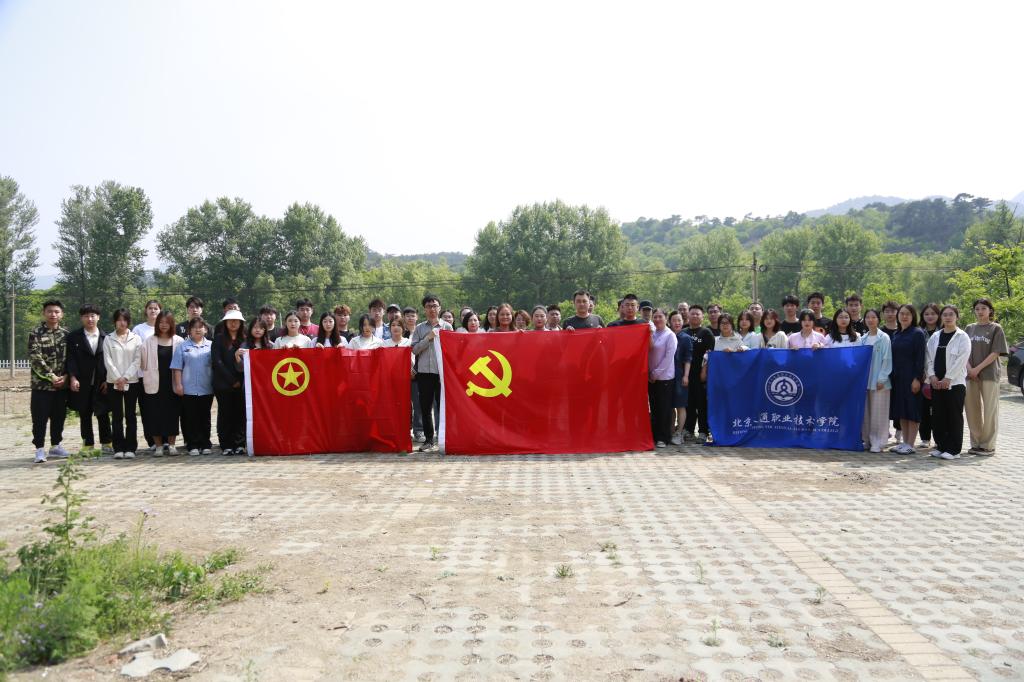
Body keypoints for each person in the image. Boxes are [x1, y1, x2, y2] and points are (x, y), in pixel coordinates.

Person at [926, 305, 971, 460]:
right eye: (945, 314)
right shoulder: (935, 336)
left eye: (951, 314)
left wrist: (948, 378)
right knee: (938, 416)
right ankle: (941, 446)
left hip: (955, 384)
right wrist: (932, 376)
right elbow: (928, 358)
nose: (948, 317)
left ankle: (954, 450)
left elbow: (962, 360)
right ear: (941, 317)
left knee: (954, 416)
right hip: (936, 383)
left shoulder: (962, 337)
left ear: (957, 317)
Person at [964, 298, 1008, 456]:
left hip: (989, 374)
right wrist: (970, 369)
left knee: (990, 410)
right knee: (971, 409)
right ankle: (976, 443)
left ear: (990, 310)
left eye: (983, 308)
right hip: (970, 375)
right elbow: (963, 351)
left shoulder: (996, 328)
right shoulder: (969, 328)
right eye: (977, 309)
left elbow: (996, 352)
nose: (980, 311)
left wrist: (977, 369)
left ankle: (988, 445)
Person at [66, 303, 111, 456]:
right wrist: (73, 378)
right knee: (84, 414)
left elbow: (110, 360)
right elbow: (70, 359)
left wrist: (108, 380)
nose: (90, 319)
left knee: (103, 413)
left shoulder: (107, 337)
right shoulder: (73, 337)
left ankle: (107, 443)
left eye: (93, 316)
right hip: (82, 382)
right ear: (81, 318)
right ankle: (88, 445)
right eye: (86, 316)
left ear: (98, 317)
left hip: (101, 382)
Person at [29, 299, 70, 463]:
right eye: (50, 311)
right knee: (39, 418)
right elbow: (36, 358)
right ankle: (39, 449)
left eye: (56, 311)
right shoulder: (36, 333)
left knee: (59, 417)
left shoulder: (66, 334)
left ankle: (55, 446)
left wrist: (66, 376)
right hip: (42, 386)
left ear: (62, 314)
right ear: (44, 313)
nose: (53, 314)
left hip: (62, 385)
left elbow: (71, 359)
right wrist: (52, 377)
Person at [411, 294, 453, 452]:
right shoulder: (420, 328)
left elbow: (452, 350)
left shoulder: (447, 327)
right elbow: (414, 349)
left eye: (435, 306)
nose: (432, 309)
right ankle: (429, 440)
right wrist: (428, 338)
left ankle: (444, 438)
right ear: (424, 309)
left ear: (439, 308)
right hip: (424, 373)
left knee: (443, 407)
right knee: (425, 407)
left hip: (442, 373)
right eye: (428, 306)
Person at [140, 310, 183, 456]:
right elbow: (142, 363)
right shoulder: (149, 341)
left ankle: (171, 445)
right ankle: (158, 446)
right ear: (157, 324)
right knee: (154, 415)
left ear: (172, 324)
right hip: (153, 382)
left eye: (167, 322)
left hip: (172, 383)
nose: (164, 325)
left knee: (172, 415)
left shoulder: (178, 341)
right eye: (161, 322)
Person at [172, 318, 214, 456]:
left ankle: (205, 443)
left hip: (206, 388)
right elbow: (177, 367)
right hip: (188, 389)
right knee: (190, 418)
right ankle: (192, 445)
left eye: (200, 327)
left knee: (205, 417)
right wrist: (178, 385)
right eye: (194, 327)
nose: (197, 329)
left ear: (205, 329)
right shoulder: (182, 346)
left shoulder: (211, 346)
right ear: (189, 330)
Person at [104, 308, 142, 460]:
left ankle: (131, 447)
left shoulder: (136, 338)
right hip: (113, 382)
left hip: (131, 382)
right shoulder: (108, 339)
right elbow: (107, 361)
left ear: (128, 321)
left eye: (125, 319)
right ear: (115, 321)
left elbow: (137, 360)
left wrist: (125, 377)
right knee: (117, 416)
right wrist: (118, 378)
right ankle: (118, 447)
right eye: (119, 319)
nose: (122, 322)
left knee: (130, 415)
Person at [889, 304, 927, 455]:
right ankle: (904, 442)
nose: (904, 316)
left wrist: (917, 378)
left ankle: (911, 444)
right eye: (902, 313)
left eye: (908, 314)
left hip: (912, 377)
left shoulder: (917, 333)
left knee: (912, 410)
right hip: (898, 378)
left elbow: (920, 357)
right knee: (902, 410)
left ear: (913, 316)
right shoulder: (897, 334)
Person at [212, 310, 246, 455]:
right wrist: (232, 380)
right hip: (223, 384)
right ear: (225, 323)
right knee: (225, 414)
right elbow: (217, 362)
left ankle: (239, 443)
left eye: (236, 321)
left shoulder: (244, 339)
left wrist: (239, 381)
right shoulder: (219, 339)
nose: (233, 323)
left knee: (240, 414)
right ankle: (226, 444)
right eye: (230, 320)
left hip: (241, 383)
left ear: (241, 323)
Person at [860, 309, 892, 453]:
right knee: (866, 412)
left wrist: (882, 378)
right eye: (867, 317)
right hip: (865, 380)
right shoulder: (863, 339)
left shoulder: (883, 337)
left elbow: (887, 359)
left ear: (878, 319)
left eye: (873, 317)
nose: (870, 320)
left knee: (879, 413)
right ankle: (867, 440)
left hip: (880, 382)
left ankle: (878, 442)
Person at [682, 305, 715, 442]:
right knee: (688, 403)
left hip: (701, 374)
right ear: (688, 316)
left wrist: (704, 371)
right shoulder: (683, 332)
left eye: (698, 314)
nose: (695, 316)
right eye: (692, 314)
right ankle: (688, 429)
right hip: (686, 374)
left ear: (702, 317)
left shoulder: (706, 333)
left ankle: (703, 431)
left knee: (702, 404)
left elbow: (710, 355)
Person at [132, 299, 161, 452]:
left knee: (162, 408)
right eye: (150, 308)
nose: (153, 311)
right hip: (143, 375)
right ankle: (151, 441)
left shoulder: (165, 327)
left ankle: (164, 440)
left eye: (156, 308)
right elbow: (135, 352)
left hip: (162, 375)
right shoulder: (139, 329)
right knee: (147, 409)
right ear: (146, 311)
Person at [648, 309, 678, 448]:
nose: (657, 319)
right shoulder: (652, 333)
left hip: (665, 378)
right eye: (655, 317)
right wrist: (649, 373)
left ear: (666, 318)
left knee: (664, 409)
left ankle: (663, 437)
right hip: (651, 378)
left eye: (660, 316)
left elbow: (668, 358)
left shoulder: (670, 335)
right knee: (654, 408)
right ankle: (655, 436)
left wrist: (655, 374)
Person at [917, 303, 941, 448]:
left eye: (933, 313)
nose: (930, 316)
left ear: (938, 315)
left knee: (939, 409)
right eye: (926, 314)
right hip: (922, 375)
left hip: (940, 375)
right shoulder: (919, 332)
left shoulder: (944, 331)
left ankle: (939, 439)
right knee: (923, 408)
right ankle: (925, 438)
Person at [669, 311, 693, 445]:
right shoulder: (667, 335)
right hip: (667, 375)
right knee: (670, 406)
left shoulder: (686, 338)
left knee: (680, 405)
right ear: (670, 322)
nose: (677, 323)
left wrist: (686, 375)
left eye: (679, 320)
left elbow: (688, 358)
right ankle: (671, 431)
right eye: (674, 320)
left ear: (683, 322)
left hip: (680, 375)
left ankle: (679, 432)